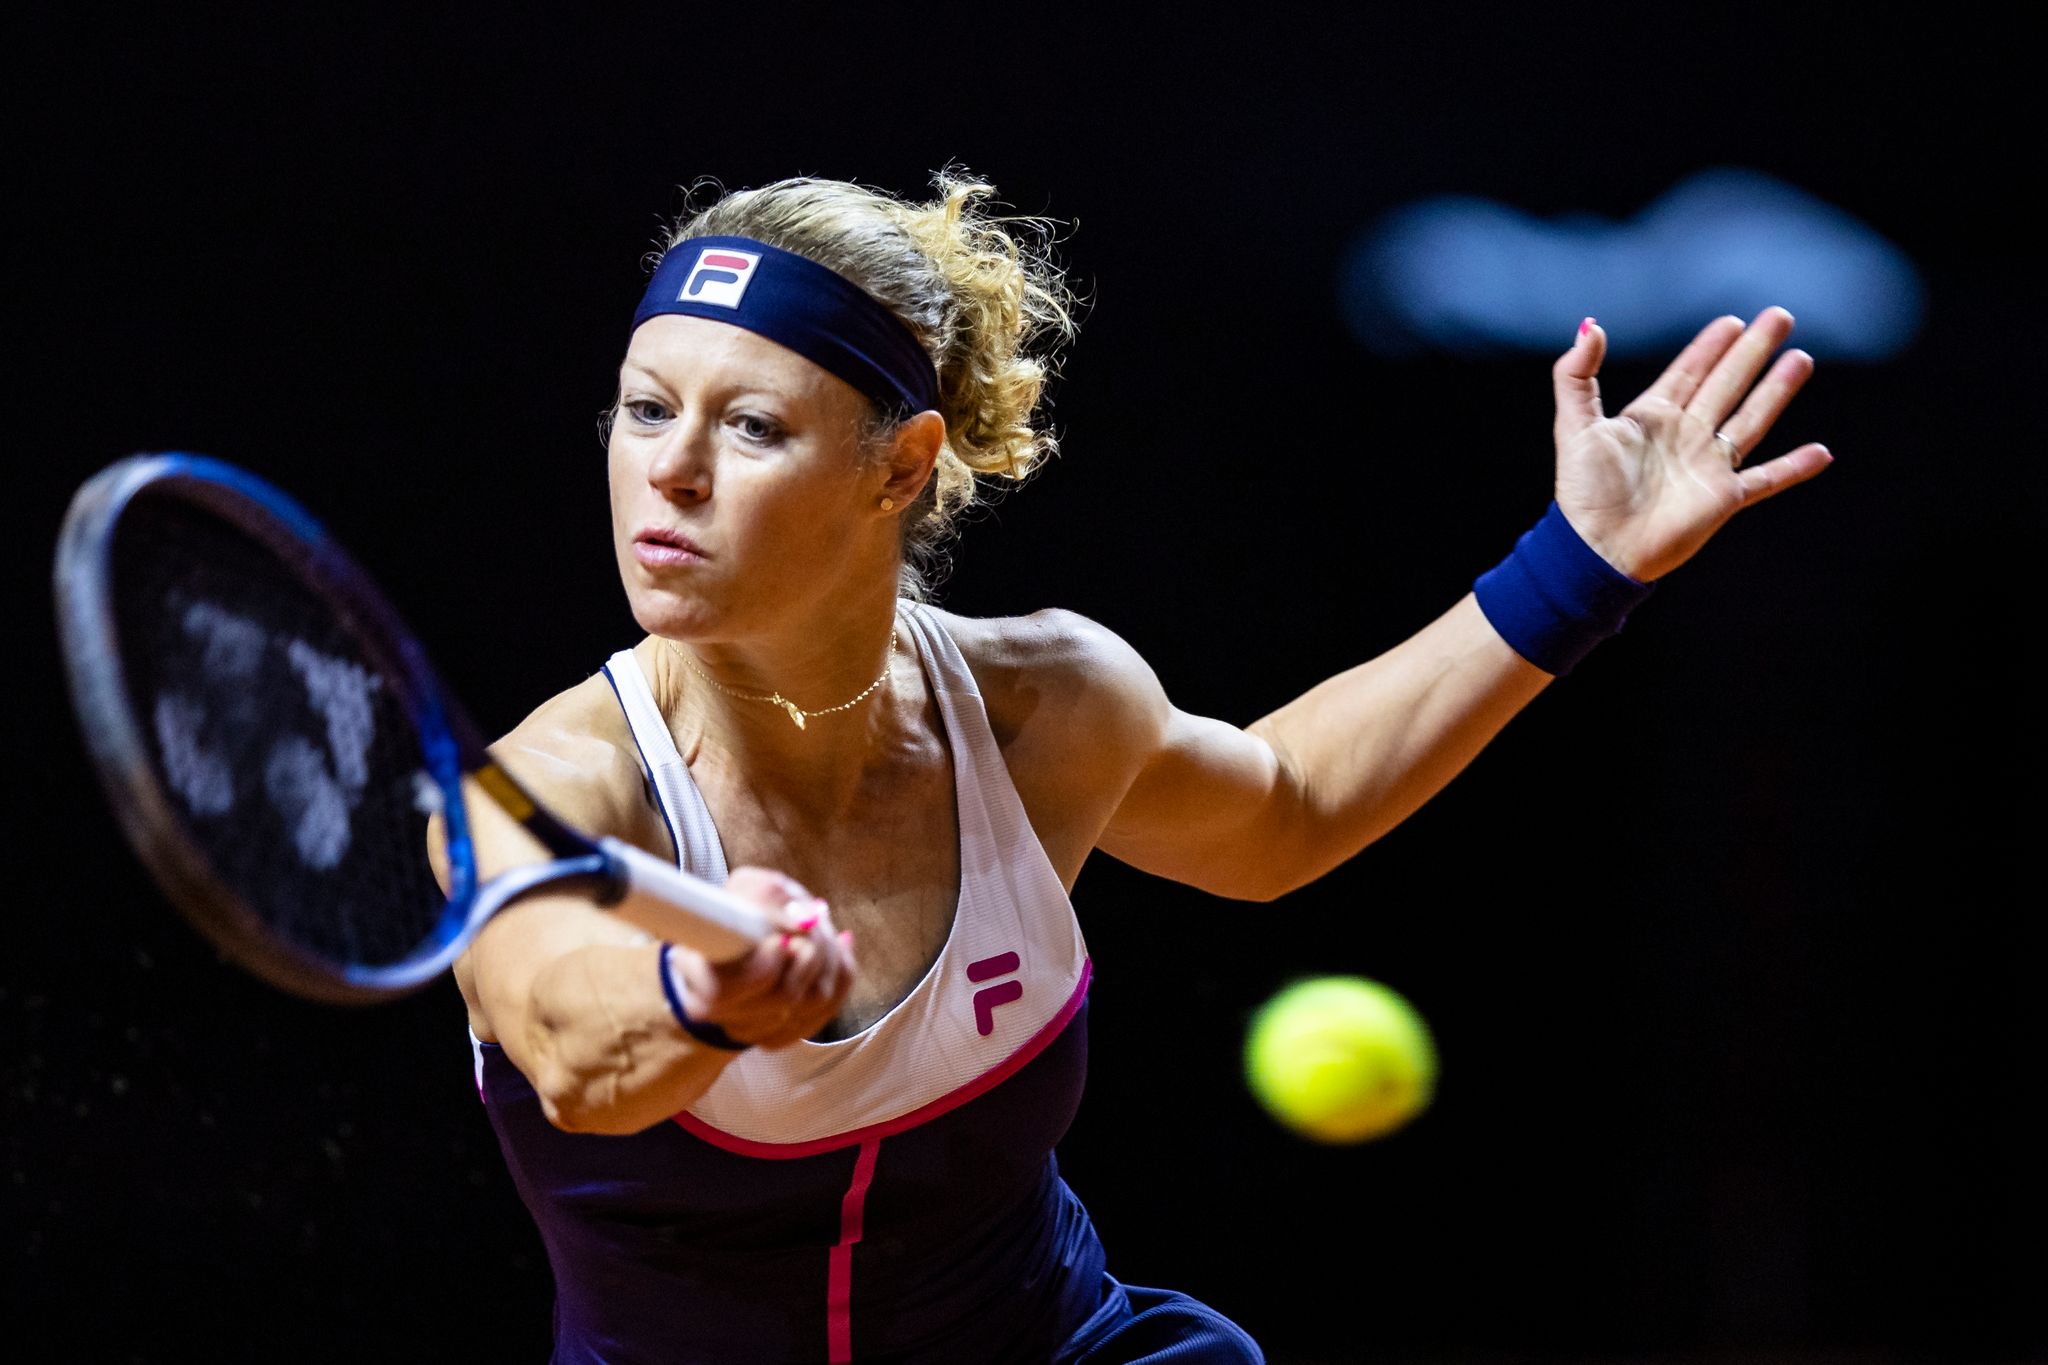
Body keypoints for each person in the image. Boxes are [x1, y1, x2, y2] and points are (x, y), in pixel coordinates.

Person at [447, 172, 1831, 1365]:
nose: (667, 471)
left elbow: (1285, 810)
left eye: (750, 427)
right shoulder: (555, 785)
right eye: (644, 408)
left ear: (899, 467)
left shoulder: (1046, 704)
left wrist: (1575, 567)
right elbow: (575, 1052)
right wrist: (701, 996)